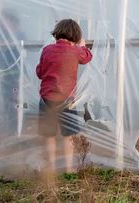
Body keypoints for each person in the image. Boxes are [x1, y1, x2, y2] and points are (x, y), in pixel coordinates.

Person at [36, 19, 92, 173]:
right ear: (75, 36)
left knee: (49, 136)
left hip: (47, 99)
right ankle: (69, 169)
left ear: (57, 33)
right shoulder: (75, 51)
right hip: (67, 101)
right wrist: (83, 46)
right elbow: (87, 57)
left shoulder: (47, 50)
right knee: (68, 136)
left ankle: (51, 168)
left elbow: (40, 73)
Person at [0, 9, 25, 135]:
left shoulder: (19, 35)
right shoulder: (0, 35)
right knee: (7, 100)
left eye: (5, 21)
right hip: (6, 74)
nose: (2, 24)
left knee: (16, 100)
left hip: (16, 75)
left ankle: (18, 126)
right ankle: (12, 125)